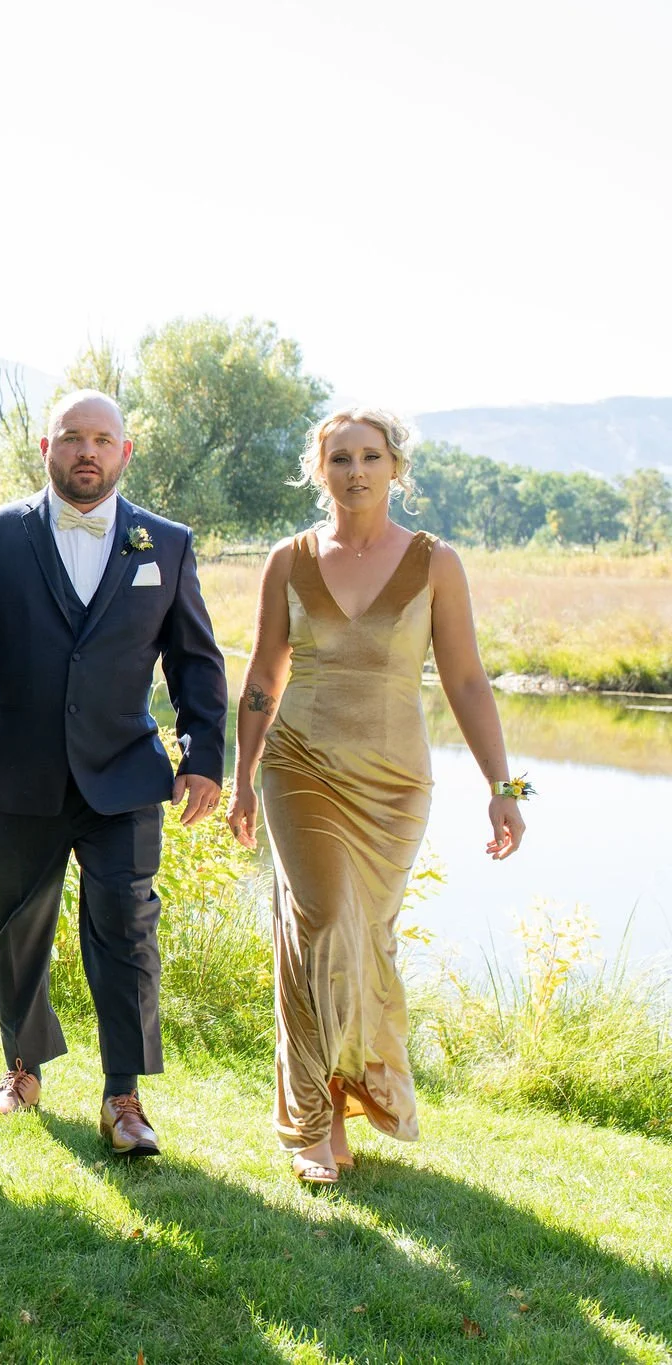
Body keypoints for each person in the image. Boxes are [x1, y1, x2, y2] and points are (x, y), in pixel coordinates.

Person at [226, 408, 527, 1185]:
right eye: (340, 457)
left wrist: (505, 786)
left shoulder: (435, 562)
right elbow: (263, 677)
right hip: (299, 764)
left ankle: (345, 1089)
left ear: (397, 466)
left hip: (394, 785)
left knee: (364, 940)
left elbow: (465, 678)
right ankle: (311, 1125)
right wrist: (242, 779)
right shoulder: (288, 560)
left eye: (371, 455)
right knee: (320, 920)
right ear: (317, 469)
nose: (355, 470)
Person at [0, 390, 227, 1157]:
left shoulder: (166, 542)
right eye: (72, 439)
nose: (86, 452)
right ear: (45, 447)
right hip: (17, 771)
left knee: (127, 930)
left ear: (126, 452)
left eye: (102, 439)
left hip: (124, 774)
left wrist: (205, 757)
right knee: (17, 928)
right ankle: (21, 1068)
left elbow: (195, 660)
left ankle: (123, 1095)